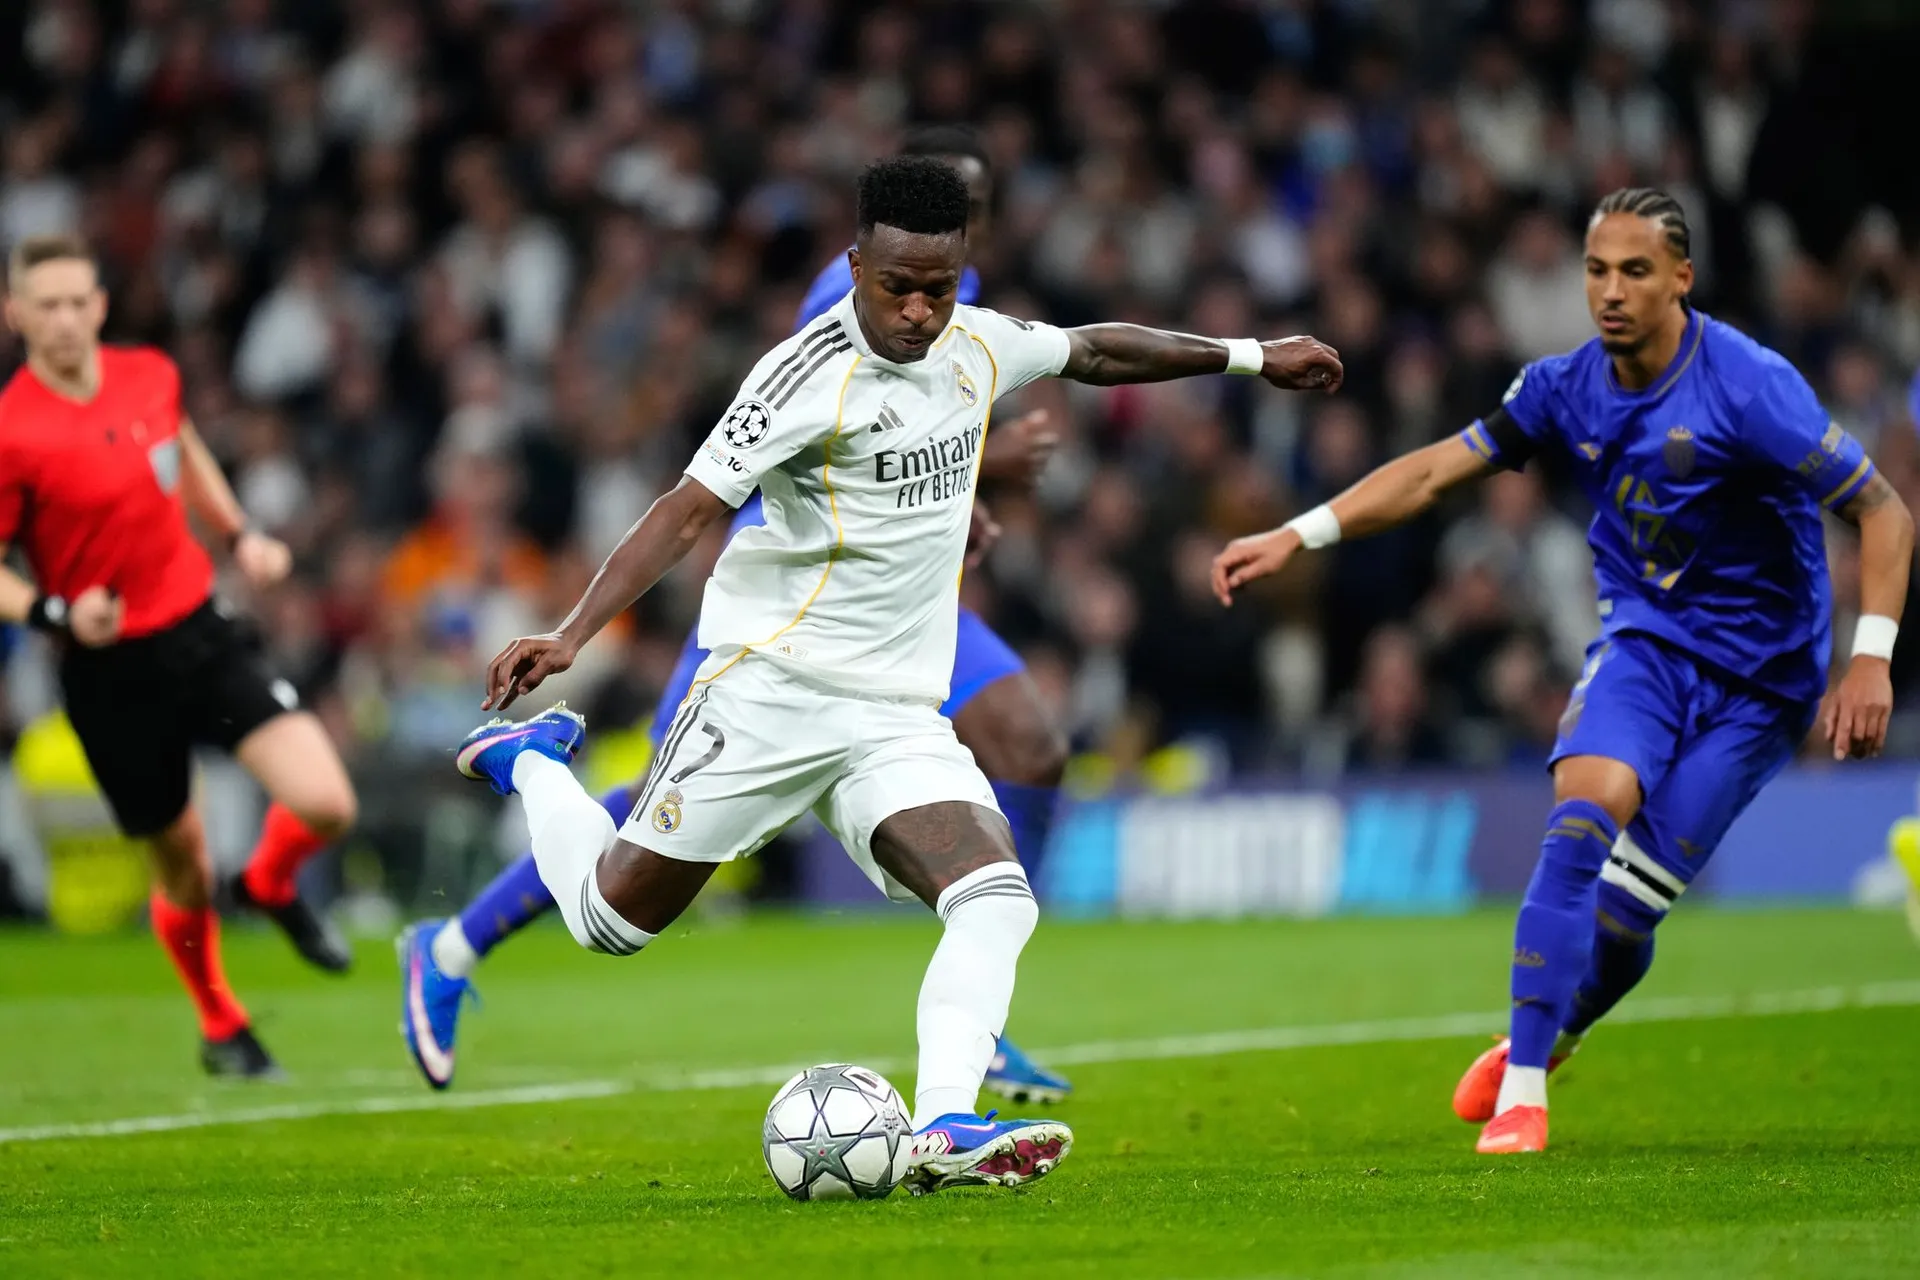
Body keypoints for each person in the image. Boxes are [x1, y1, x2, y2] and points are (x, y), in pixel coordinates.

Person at [453, 156, 1341, 1192]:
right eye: (897, 288)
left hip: (895, 713)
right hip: (771, 689)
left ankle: (945, 1123)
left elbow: (1095, 349)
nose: (919, 311)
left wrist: (1253, 357)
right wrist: (571, 634)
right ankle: (529, 761)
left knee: (996, 896)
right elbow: (686, 510)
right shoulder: (800, 377)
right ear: (855, 267)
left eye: (939, 288)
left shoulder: (979, 344)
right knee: (610, 923)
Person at [1212, 188, 1913, 1155]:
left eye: (1635, 271)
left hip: (1762, 687)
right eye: (1596, 270)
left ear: (1681, 278)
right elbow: (1431, 472)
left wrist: (1869, 658)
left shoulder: (1750, 386)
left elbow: (1883, 510)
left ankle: (1556, 1032)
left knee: (1622, 922)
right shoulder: (1561, 388)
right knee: (1582, 817)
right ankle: (1524, 1094)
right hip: (1647, 645)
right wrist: (1299, 533)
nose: (1611, 291)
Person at [400, 128, 1074, 1103]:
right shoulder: (853, 300)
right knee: (652, 825)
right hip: (792, 597)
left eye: (974, 209)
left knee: (1030, 744)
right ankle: (456, 939)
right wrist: (984, 463)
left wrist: (967, 476)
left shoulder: (956, 301)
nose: (959, 225)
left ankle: (980, 1024)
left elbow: (940, 413)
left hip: (900, 600)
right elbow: (822, 422)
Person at [0, 235, 360, 1077]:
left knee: (326, 802)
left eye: (76, 302)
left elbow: (185, 449)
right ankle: (221, 1022)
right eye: (45, 306)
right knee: (186, 867)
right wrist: (54, 611)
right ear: (15, 315)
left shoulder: (149, 376)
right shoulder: (12, 430)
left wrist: (240, 534)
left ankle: (268, 883)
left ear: (100, 305)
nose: (64, 319)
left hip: (199, 628)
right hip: (107, 668)